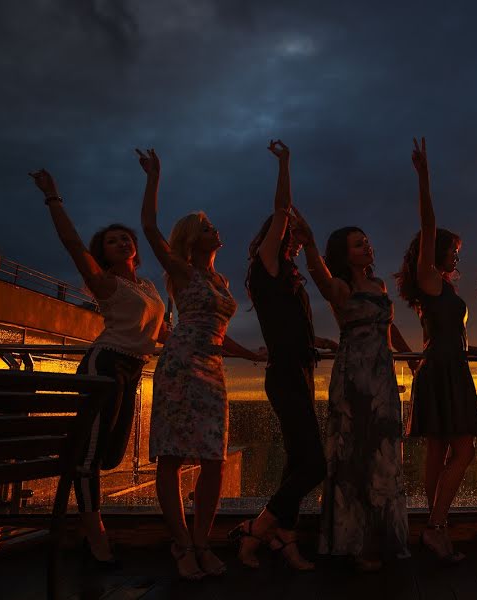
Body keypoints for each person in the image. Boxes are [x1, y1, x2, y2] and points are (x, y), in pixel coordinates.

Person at [28, 168, 166, 568]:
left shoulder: (150, 290)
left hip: (133, 369)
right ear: (103, 252)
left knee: (109, 457)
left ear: (135, 250)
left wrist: (235, 351)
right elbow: (71, 243)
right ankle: (95, 534)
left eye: (127, 238)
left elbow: (165, 336)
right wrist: (54, 197)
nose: (122, 241)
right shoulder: (107, 284)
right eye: (112, 240)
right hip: (103, 366)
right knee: (88, 456)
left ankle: (89, 524)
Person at [138, 148, 264, 580]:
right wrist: (155, 178)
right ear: (193, 239)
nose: (216, 230)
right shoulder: (182, 270)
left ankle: (200, 541)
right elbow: (151, 228)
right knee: (172, 457)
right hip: (179, 367)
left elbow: (218, 333)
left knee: (213, 459)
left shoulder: (220, 281)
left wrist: (252, 355)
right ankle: (182, 544)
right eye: (208, 227)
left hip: (211, 368)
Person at [230, 140, 337, 570]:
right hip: (284, 374)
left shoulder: (288, 271)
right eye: (288, 236)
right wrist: (286, 163)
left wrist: (318, 344)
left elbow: (290, 326)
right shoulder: (266, 263)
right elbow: (282, 209)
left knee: (297, 459)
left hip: (300, 369)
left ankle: (285, 539)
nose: (292, 239)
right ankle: (257, 530)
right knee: (315, 464)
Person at [291, 209, 412, 571]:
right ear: (346, 255)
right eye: (359, 245)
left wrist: (414, 357)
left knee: (386, 456)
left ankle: (383, 538)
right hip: (355, 379)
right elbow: (320, 278)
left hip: (384, 377)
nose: (367, 247)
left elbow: (387, 329)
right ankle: (357, 545)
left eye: (367, 242)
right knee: (356, 456)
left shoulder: (379, 286)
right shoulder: (342, 288)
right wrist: (310, 244)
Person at [394, 138, 477, 563]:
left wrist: (472, 347)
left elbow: (448, 332)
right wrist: (424, 175)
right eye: (453, 248)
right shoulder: (429, 279)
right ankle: (434, 527)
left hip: (449, 366)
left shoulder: (442, 288)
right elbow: (428, 223)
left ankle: (436, 529)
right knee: (462, 450)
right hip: (441, 370)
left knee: (439, 452)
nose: (454, 253)